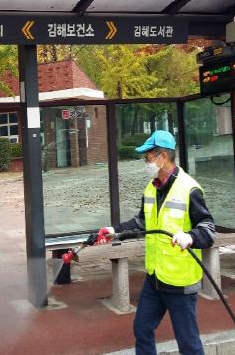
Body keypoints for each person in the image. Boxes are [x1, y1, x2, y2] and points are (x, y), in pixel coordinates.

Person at [93, 130, 216, 355]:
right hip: (155, 277)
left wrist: (190, 237)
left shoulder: (189, 189)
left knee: (188, 343)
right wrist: (114, 231)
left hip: (180, 282)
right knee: (142, 329)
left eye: (148, 157)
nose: (146, 163)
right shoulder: (151, 188)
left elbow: (208, 229)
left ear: (163, 157)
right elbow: (142, 222)